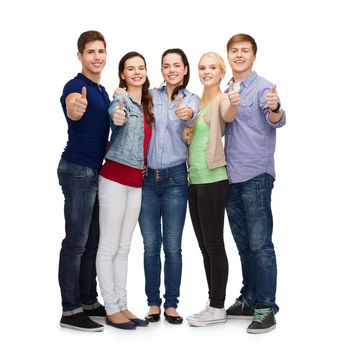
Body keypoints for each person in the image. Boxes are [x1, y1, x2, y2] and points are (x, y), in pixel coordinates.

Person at [224, 33, 286, 334]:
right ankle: (248, 298)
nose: (239, 55)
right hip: (230, 177)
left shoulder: (263, 88)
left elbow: (276, 118)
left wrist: (275, 107)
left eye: (244, 51)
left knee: (261, 244)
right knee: (243, 243)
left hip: (256, 175)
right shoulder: (228, 88)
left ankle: (265, 306)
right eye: (234, 51)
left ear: (253, 56)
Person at [138, 48, 200, 325]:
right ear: (161, 70)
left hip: (176, 179)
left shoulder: (193, 99)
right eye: (166, 65)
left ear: (185, 69)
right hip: (147, 179)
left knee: (173, 246)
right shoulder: (149, 96)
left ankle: (171, 305)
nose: (172, 69)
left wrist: (186, 114)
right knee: (151, 245)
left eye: (177, 65)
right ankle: (152, 303)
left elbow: (191, 117)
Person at [96, 51, 153, 330]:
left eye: (140, 67)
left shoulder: (146, 105)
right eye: (130, 68)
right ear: (122, 74)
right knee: (108, 246)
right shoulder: (120, 99)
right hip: (115, 178)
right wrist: (117, 115)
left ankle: (122, 303)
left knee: (124, 247)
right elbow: (115, 115)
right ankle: (111, 307)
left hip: (136, 183)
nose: (136, 72)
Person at [57, 30, 109, 332]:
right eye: (91, 51)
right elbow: (73, 105)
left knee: (92, 242)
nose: (97, 56)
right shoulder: (76, 86)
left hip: (94, 172)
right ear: (80, 56)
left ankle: (89, 301)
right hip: (77, 170)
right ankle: (71, 309)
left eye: (101, 51)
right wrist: (74, 108)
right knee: (76, 242)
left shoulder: (101, 91)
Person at [184, 52, 240, 327]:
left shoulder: (221, 98)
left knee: (215, 246)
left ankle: (218, 306)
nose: (206, 71)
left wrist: (232, 102)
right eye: (202, 67)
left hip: (214, 181)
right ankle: (213, 302)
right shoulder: (199, 101)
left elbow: (228, 113)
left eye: (212, 68)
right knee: (205, 247)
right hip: (194, 183)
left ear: (221, 72)